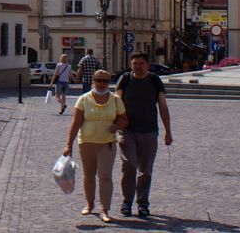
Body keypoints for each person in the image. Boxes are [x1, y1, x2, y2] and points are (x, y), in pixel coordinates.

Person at [63, 69, 127, 223]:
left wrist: (117, 125)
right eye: (99, 80)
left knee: (105, 176)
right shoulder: (84, 99)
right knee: (89, 176)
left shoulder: (116, 100)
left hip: (107, 143)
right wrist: (68, 145)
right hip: (87, 142)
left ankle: (105, 209)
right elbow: (76, 123)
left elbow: (125, 120)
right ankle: (90, 204)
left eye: (105, 81)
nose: (102, 84)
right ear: (93, 81)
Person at [115, 52, 172, 217]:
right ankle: (127, 201)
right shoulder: (125, 79)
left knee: (146, 170)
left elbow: (163, 106)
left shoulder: (155, 80)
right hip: (127, 130)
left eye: (141, 63)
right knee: (129, 165)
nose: (138, 66)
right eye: (135, 63)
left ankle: (143, 203)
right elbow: (116, 103)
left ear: (147, 65)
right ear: (131, 65)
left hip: (149, 131)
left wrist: (168, 131)